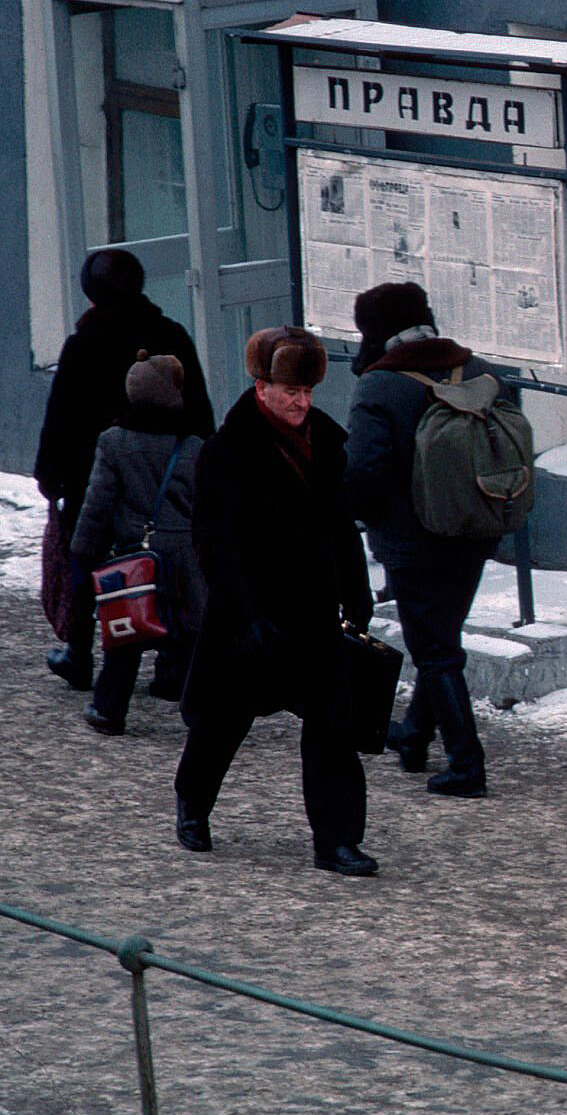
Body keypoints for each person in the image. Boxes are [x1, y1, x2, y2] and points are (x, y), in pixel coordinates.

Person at [173, 327, 379, 877]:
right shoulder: (226, 452)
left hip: (314, 612)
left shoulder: (326, 444)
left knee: (334, 727)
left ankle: (336, 840)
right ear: (261, 387)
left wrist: (356, 593)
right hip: (250, 614)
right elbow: (213, 543)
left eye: (308, 391)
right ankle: (193, 803)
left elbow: (341, 528)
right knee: (222, 722)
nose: (301, 402)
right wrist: (246, 615)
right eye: (291, 390)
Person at [34, 249, 212, 692]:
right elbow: (198, 407)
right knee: (167, 565)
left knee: (87, 558)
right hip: (164, 478)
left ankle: (79, 652)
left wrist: (49, 473)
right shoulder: (170, 334)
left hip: (92, 476)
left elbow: (60, 417)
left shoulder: (84, 342)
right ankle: (171, 663)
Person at [344, 281, 495, 798]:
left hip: (413, 542)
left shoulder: (380, 386)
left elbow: (362, 473)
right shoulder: (476, 371)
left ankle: (466, 764)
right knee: (442, 636)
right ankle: (413, 737)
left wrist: (360, 517)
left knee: (434, 649)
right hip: (474, 529)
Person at [67, 353, 206, 733]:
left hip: (134, 556)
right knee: (189, 632)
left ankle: (109, 711)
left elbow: (97, 504)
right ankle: (195, 708)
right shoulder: (192, 444)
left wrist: (82, 552)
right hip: (184, 556)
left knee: (126, 635)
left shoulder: (114, 442)